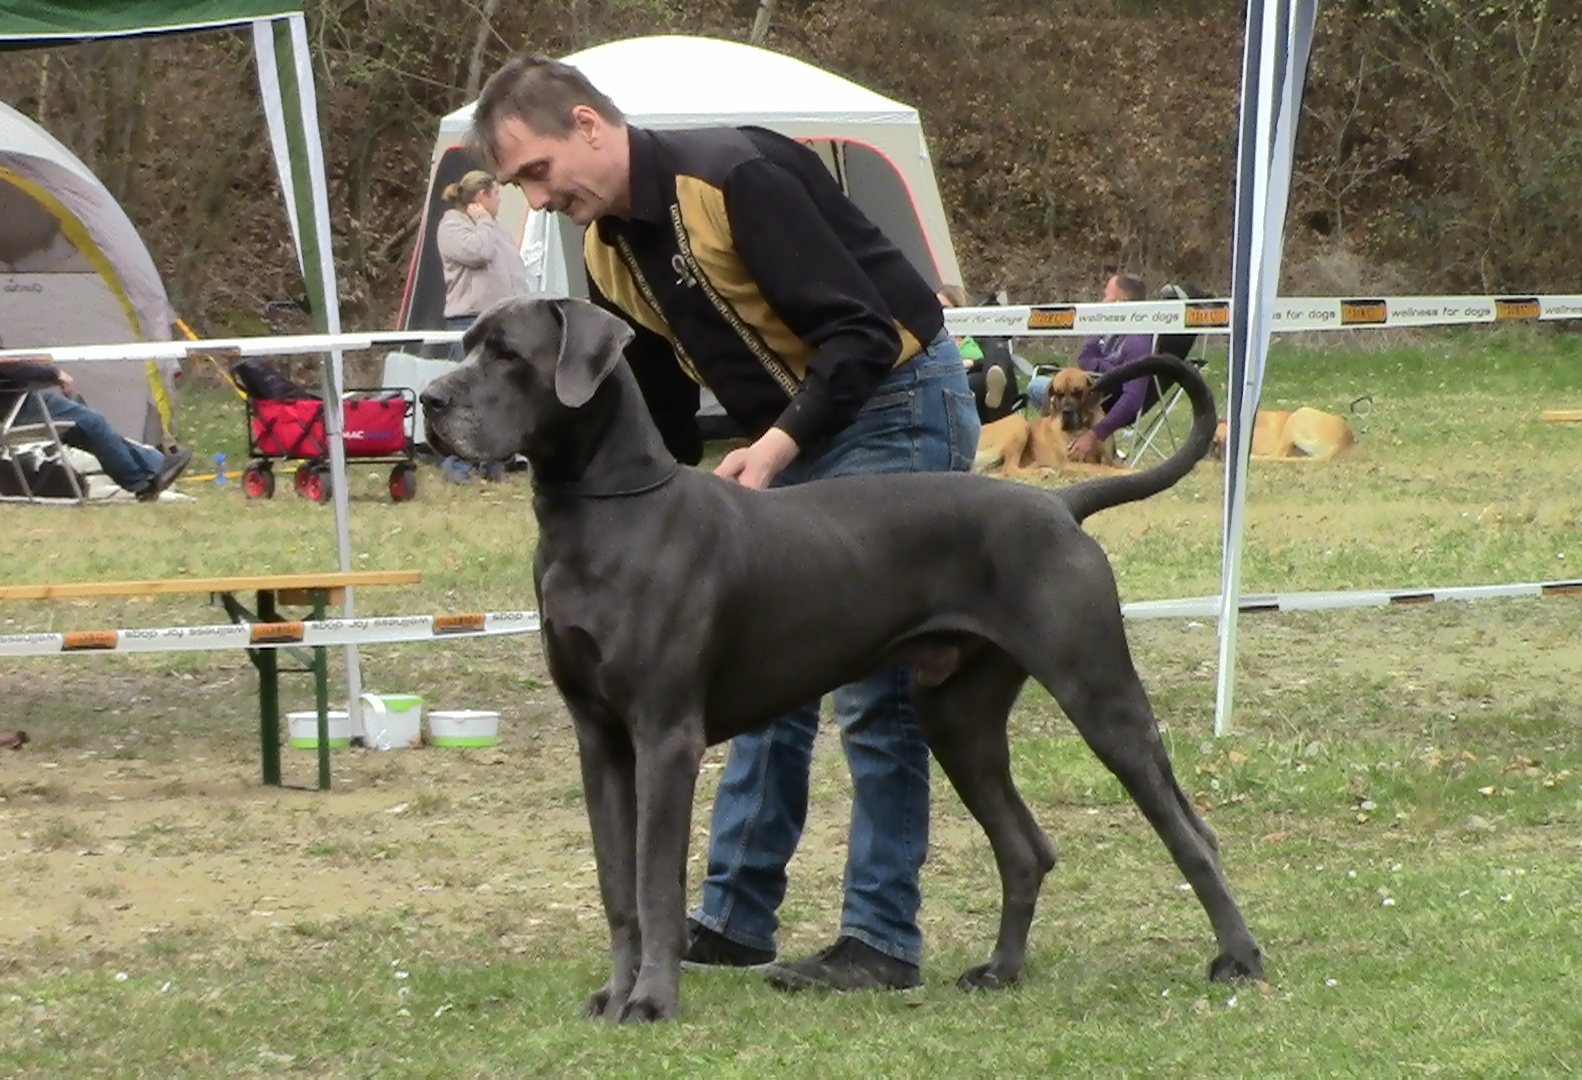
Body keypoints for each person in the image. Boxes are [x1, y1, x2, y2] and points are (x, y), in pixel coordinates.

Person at [471, 55, 981, 993]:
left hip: (894, 404)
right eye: (517, 189)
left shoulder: (734, 179)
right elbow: (654, 425)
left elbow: (863, 337)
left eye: (537, 173)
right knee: (757, 674)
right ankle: (736, 921)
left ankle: (881, 939)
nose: (535, 201)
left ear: (588, 126)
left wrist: (778, 448)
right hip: (784, 432)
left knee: (874, 688)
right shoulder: (608, 251)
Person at [0, 267, 191, 502]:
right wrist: (53, 373)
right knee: (93, 422)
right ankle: (140, 480)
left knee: (83, 421)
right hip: (15, 404)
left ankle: (152, 467)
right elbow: (4, 364)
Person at [436, 169, 530, 482]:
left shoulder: (491, 228)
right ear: (481, 197)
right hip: (469, 320)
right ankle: (456, 463)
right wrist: (485, 222)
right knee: (465, 392)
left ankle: (493, 460)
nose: (500, 200)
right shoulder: (452, 225)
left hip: (501, 318)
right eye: (496, 194)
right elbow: (478, 252)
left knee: (498, 389)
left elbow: (511, 268)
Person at [1025, 273, 1159, 461]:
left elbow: (1132, 400)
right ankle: (1059, 446)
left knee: (1039, 387)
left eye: (1107, 296)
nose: (1103, 301)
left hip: (1102, 402)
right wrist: (1112, 370)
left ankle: (1068, 447)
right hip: (1090, 389)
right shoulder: (1111, 327)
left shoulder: (1138, 341)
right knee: (1039, 385)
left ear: (1122, 300)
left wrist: (1094, 434)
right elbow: (1084, 357)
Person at [937, 283, 1019, 424]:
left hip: (984, 374)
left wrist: (974, 363)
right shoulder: (935, 340)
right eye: (935, 308)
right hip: (959, 381)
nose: (940, 313)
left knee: (999, 351)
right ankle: (994, 384)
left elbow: (993, 350)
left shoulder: (974, 335)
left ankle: (995, 379)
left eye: (945, 309)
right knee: (977, 382)